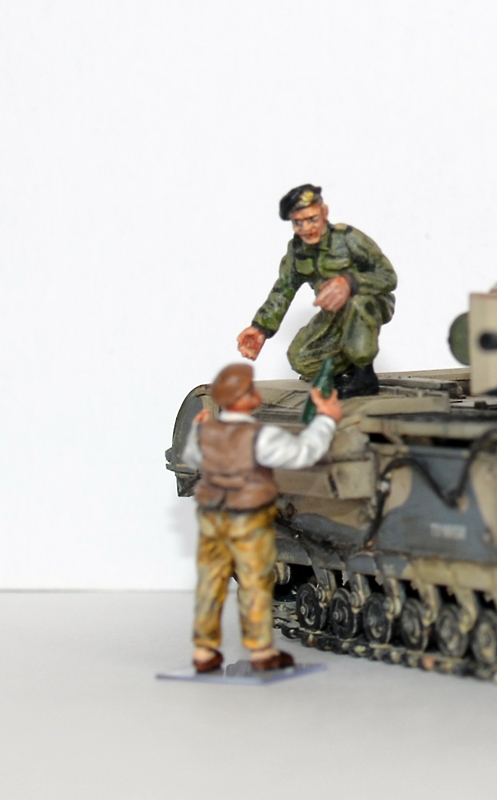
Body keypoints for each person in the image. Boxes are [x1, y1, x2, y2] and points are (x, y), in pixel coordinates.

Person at [180, 363, 343, 673]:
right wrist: (325, 419)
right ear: (244, 398)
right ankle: (260, 650)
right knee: (255, 581)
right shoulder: (259, 436)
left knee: (211, 582)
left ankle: (203, 650)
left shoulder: (209, 432)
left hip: (213, 518)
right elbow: (303, 454)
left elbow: (192, 458)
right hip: (247, 519)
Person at [236, 185, 397, 397]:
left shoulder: (348, 239)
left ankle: (364, 375)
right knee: (300, 357)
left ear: (324, 213)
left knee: (356, 301)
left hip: (371, 304)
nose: (306, 228)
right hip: (334, 311)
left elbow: (388, 276)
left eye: (312, 219)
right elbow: (284, 288)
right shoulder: (298, 250)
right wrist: (261, 328)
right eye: (298, 223)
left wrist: (350, 283)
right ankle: (343, 375)